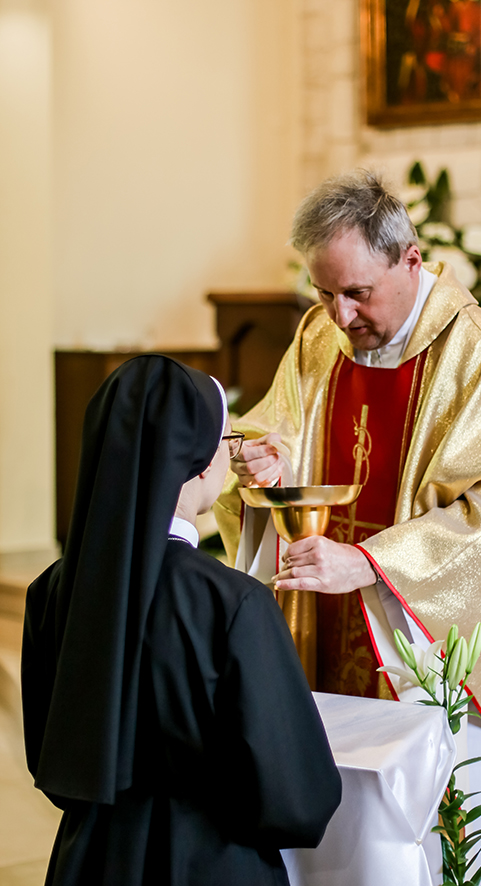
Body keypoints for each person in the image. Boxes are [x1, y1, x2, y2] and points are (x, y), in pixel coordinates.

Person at [214, 170, 481, 885]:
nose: (339, 314)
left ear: (410, 260)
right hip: (319, 629)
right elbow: (280, 426)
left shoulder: (476, 352)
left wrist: (370, 563)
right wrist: (262, 459)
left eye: (356, 291)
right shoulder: (319, 336)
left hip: (429, 650)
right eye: (323, 293)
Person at [21, 355, 341, 886]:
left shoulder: (50, 591)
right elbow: (296, 798)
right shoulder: (233, 604)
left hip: (88, 859)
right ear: (196, 459)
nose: (230, 456)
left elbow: (52, 760)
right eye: (228, 441)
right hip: (210, 863)